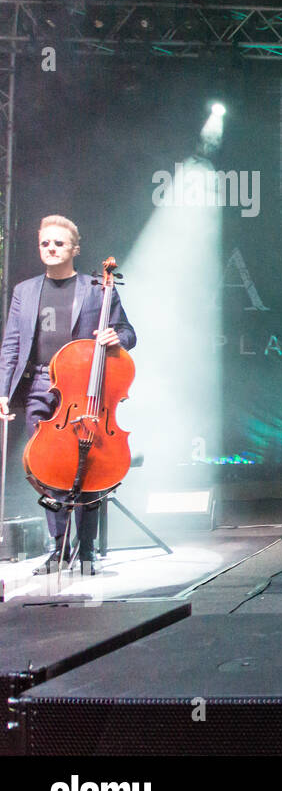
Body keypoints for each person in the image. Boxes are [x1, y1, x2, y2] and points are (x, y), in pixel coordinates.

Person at [0, 215, 137, 572]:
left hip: (85, 387)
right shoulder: (25, 291)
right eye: (45, 243)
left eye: (58, 244)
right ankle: (58, 549)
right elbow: (12, 345)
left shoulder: (97, 288)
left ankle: (87, 548)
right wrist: (2, 390)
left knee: (88, 466)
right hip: (41, 384)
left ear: (74, 249)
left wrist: (115, 338)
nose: (51, 249)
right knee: (48, 469)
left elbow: (128, 333)